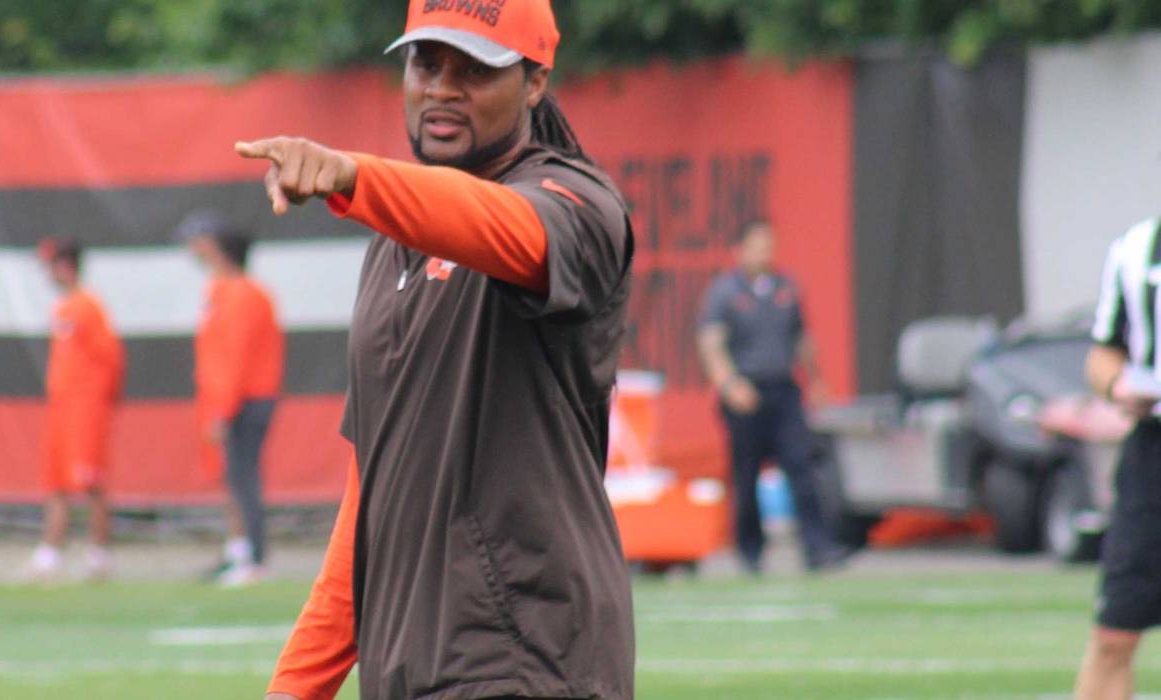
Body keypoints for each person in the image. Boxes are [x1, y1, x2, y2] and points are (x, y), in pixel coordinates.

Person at [237, 2, 635, 698]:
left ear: (535, 82)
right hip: (406, 666)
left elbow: (501, 225)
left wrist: (351, 178)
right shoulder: (391, 243)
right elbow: (369, 499)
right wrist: (295, 687)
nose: (442, 88)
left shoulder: (577, 202)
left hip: (523, 663)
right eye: (427, 63)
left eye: (475, 70)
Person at [696, 221, 849, 574]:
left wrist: (816, 380)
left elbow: (802, 339)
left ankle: (818, 547)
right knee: (746, 473)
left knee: (802, 467)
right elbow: (711, 343)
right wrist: (730, 383)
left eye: (769, 246)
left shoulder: (786, 287)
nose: (765, 253)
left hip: (783, 391)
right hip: (745, 393)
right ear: (741, 251)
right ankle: (750, 551)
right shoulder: (725, 292)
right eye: (757, 246)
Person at [1074, 218, 1161, 700]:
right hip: (1154, 452)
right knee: (1114, 633)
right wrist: (1118, 386)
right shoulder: (1138, 246)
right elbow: (1104, 351)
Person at [178, 212, 284, 588]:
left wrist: (223, 409)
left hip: (245, 398)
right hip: (231, 397)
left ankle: (253, 557)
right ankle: (239, 549)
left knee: (244, 477)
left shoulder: (241, 293)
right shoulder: (221, 291)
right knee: (232, 476)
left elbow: (234, 357)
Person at [22, 238, 125, 582]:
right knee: (55, 481)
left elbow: (109, 359)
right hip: (63, 409)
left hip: (85, 410)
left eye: (50, 266)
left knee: (89, 481)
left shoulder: (87, 306)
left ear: (65, 266)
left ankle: (99, 554)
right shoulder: (64, 308)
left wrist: (98, 404)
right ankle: (50, 553)